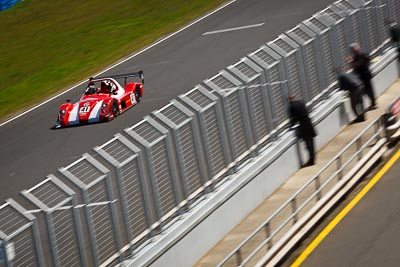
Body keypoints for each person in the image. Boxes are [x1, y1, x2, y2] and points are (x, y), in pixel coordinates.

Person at [288, 96, 317, 167]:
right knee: (311, 143)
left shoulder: (292, 106)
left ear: (290, 100)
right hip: (309, 123)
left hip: (303, 125)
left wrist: (291, 126)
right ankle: (312, 159)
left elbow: (293, 119)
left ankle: (311, 160)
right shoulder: (301, 102)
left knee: (307, 144)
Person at [347, 43, 377, 110]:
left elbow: (359, 64)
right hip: (363, 75)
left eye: (353, 49)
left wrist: (351, 62)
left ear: (357, 48)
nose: (353, 51)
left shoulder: (361, 55)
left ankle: (373, 103)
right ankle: (372, 103)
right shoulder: (357, 56)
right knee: (366, 90)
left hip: (364, 75)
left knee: (368, 90)